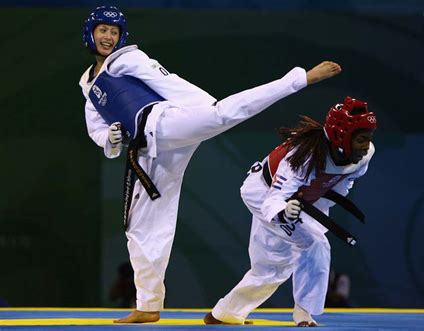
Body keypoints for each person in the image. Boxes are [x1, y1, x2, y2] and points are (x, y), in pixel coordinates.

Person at [79, 5, 342, 323]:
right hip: (149, 149)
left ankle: (299, 79)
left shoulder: (127, 59)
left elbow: (169, 81)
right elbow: (96, 128)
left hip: (167, 123)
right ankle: (148, 305)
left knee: (223, 113)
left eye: (114, 31)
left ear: (122, 37)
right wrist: (110, 138)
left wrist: (203, 108)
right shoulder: (88, 84)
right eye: (103, 30)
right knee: (142, 226)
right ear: (90, 33)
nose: (108, 37)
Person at [204, 97, 377, 327]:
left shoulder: (364, 156)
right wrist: (285, 213)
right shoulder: (303, 156)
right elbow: (275, 198)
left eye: (368, 138)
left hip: (304, 199)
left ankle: (225, 314)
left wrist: (312, 210)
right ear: (341, 136)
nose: (365, 146)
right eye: (361, 139)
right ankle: (305, 314)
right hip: (262, 193)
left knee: (271, 268)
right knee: (315, 244)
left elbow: (343, 183)